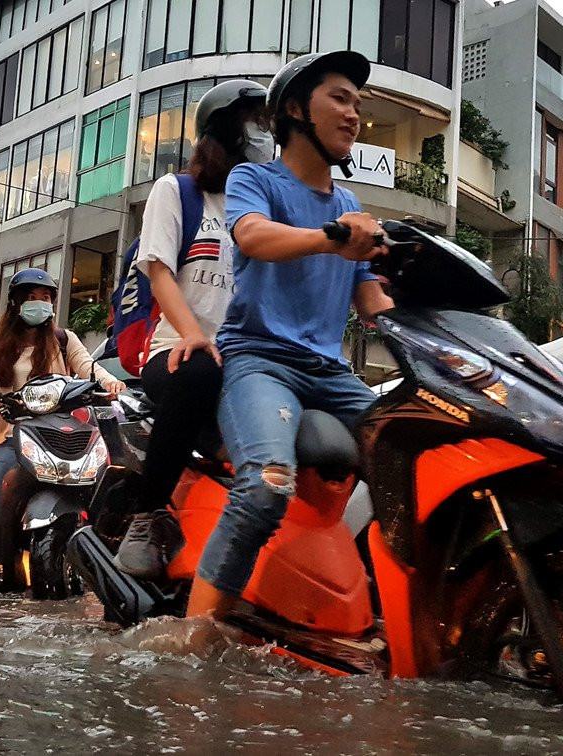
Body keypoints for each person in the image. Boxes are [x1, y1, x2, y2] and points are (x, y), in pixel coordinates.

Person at [186, 51, 395, 619]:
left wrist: (409, 300)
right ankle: (193, 637)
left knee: (414, 458)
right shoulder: (256, 179)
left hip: (331, 374)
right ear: (298, 110)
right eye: (340, 98)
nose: (354, 114)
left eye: (357, 102)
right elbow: (252, 236)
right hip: (260, 361)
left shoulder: (349, 205)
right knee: (266, 485)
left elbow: (370, 297)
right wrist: (331, 237)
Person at [114, 79, 275, 579]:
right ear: (223, 130)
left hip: (245, 360)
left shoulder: (264, 210)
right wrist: (190, 333)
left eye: (268, 124)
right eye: (255, 123)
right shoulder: (179, 192)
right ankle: (146, 515)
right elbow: (157, 268)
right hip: (174, 349)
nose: (265, 134)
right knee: (198, 369)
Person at [0, 268, 125, 586]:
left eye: (45, 298)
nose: (40, 303)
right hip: (12, 438)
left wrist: (113, 383)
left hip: (61, 435)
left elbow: (88, 367)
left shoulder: (63, 339)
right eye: (31, 297)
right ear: (16, 303)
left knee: (107, 490)